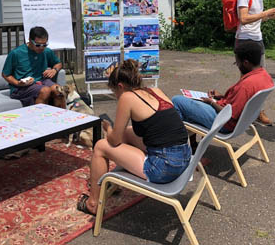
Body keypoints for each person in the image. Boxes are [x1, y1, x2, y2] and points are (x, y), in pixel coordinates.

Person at [76, 59, 191, 216]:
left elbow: (114, 140)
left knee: (101, 146)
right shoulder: (155, 91)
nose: (116, 96)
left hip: (164, 168)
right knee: (128, 132)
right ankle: (104, 180)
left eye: (114, 92)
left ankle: (93, 204)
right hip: (184, 156)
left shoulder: (127, 97)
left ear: (121, 87)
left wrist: (108, 128)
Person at [172, 41, 274, 146]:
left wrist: (211, 102)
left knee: (177, 101)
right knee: (189, 104)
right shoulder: (264, 75)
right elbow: (241, 101)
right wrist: (222, 97)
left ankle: (179, 148)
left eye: (237, 63)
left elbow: (230, 115)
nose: (237, 66)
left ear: (246, 63)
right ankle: (192, 146)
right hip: (240, 122)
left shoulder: (247, 85)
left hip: (224, 123)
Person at [235, 0, 275, 126]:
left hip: (257, 39)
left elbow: (256, 18)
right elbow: (243, 18)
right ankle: (243, 110)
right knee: (246, 79)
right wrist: (266, 12)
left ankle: (255, 111)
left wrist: (269, 17)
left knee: (259, 78)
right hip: (245, 40)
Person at [2, 26, 65, 108]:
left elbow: (58, 63)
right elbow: (5, 74)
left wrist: (54, 70)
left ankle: (62, 116)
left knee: (59, 90)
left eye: (44, 44)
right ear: (30, 40)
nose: (41, 48)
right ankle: (38, 118)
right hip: (21, 88)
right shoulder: (16, 53)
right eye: (38, 45)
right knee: (45, 90)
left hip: (41, 80)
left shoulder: (46, 51)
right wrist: (18, 83)